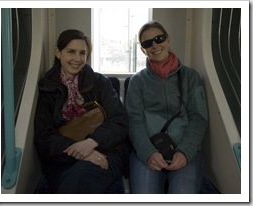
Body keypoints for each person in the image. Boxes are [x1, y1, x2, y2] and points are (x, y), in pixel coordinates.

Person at [34, 29, 129, 194]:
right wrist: (80, 151)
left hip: (105, 151)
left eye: (82, 53)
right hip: (62, 157)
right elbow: (44, 137)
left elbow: (119, 122)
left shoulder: (100, 83)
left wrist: (91, 143)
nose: (77, 59)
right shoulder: (47, 88)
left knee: (79, 177)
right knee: (71, 179)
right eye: (71, 52)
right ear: (58, 52)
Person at [125, 21, 208, 194]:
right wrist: (148, 153)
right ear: (143, 50)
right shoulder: (137, 82)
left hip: (186, 150)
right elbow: (134, 122)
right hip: (147, 151)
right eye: (147, 43)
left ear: (167, 39)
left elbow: (198, 118)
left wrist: (185, 152)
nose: (154, 45)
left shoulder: (190, 77)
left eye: (159, 38)